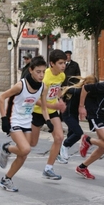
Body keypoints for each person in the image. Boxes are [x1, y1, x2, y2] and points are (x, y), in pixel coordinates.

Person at [0, 56, 51, 192]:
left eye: (43, 72)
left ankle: (6, 179)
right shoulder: (21, 85)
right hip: (13, 120)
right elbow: (1, 97)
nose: (41, 75)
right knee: (25, 149)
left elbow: (44, 107)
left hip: (27, 121)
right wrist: (4, 118)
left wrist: (48, 121)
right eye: (38, 71)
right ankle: (6, 148)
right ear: (31, 70)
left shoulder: (43, 87)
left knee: (24, 154)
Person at [30, 49, 66, 180]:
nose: (63, 66)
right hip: (37, 111)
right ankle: (8, 148)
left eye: (65, 63)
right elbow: (37, 99)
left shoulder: (61, 75)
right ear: (52, 63)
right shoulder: (44, 77)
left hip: (51, 111)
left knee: (59, 137)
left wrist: (60, 100)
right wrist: (54, 105)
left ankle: (48, 168)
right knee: (32, 143)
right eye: (61, 63)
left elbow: (57, 90)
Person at [59, 75, 98, 161]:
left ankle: (59, 153)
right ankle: (64, 146)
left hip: (74, 115)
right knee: (78, 133)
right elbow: (63, 96)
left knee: (71, 134)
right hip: (67, 114)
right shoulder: (76, 91)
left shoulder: (84, 93)